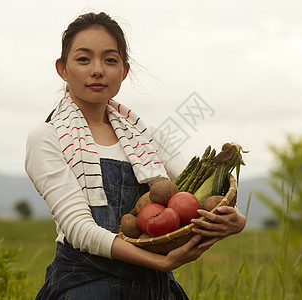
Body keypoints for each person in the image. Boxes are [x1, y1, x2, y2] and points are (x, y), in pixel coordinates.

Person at [25, 12, 246, 299]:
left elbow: (191, 198)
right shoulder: (47, 138)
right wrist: (161, 261)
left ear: (124, 71)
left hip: (154, 287)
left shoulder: (147, 136)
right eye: (83, 59)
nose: (97, 70)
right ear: (62, 69)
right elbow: (78, 229)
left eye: (110, 60)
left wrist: (236, 221)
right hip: (86, 284)